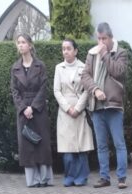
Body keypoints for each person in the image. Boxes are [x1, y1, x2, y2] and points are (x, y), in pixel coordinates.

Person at [81, 21, 128, 189]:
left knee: (119, 144)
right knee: (101, 145)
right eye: (99, 39)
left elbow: (118, 71)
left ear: (111, 37)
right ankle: (104, 178)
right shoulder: (91, 54)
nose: (101, 42)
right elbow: (85, 76)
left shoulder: (121, 53)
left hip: (113, 106)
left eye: (104, 39)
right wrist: (95, 90)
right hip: (97, 106)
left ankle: (121, 178)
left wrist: (106, 55)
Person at [10, 33, 53, 187]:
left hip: (38, 109)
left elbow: (43, 88)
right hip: (23, 112)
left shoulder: (40, 66)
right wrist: (23, 108)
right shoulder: (15, 68)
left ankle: (45, 178)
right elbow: (14, 91)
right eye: (18, 42)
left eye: (23, 42)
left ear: (30, 45)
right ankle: (32, 180)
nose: (20, 45)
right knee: (27, 146)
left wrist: (33, 107)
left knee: (42, 144)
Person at [53, 38, 93, 186]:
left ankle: (82, 177)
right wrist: (67, 108)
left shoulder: (84, 67)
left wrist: (77, 108)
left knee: (81, 146)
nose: (66, 51)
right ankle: (69, 176)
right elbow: (56, 90)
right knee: (67, 147)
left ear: (75, 51)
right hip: (65, 112)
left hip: (79, 110)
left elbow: (87, 90)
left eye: (68, 48)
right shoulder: (59, 68)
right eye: (63, 49)